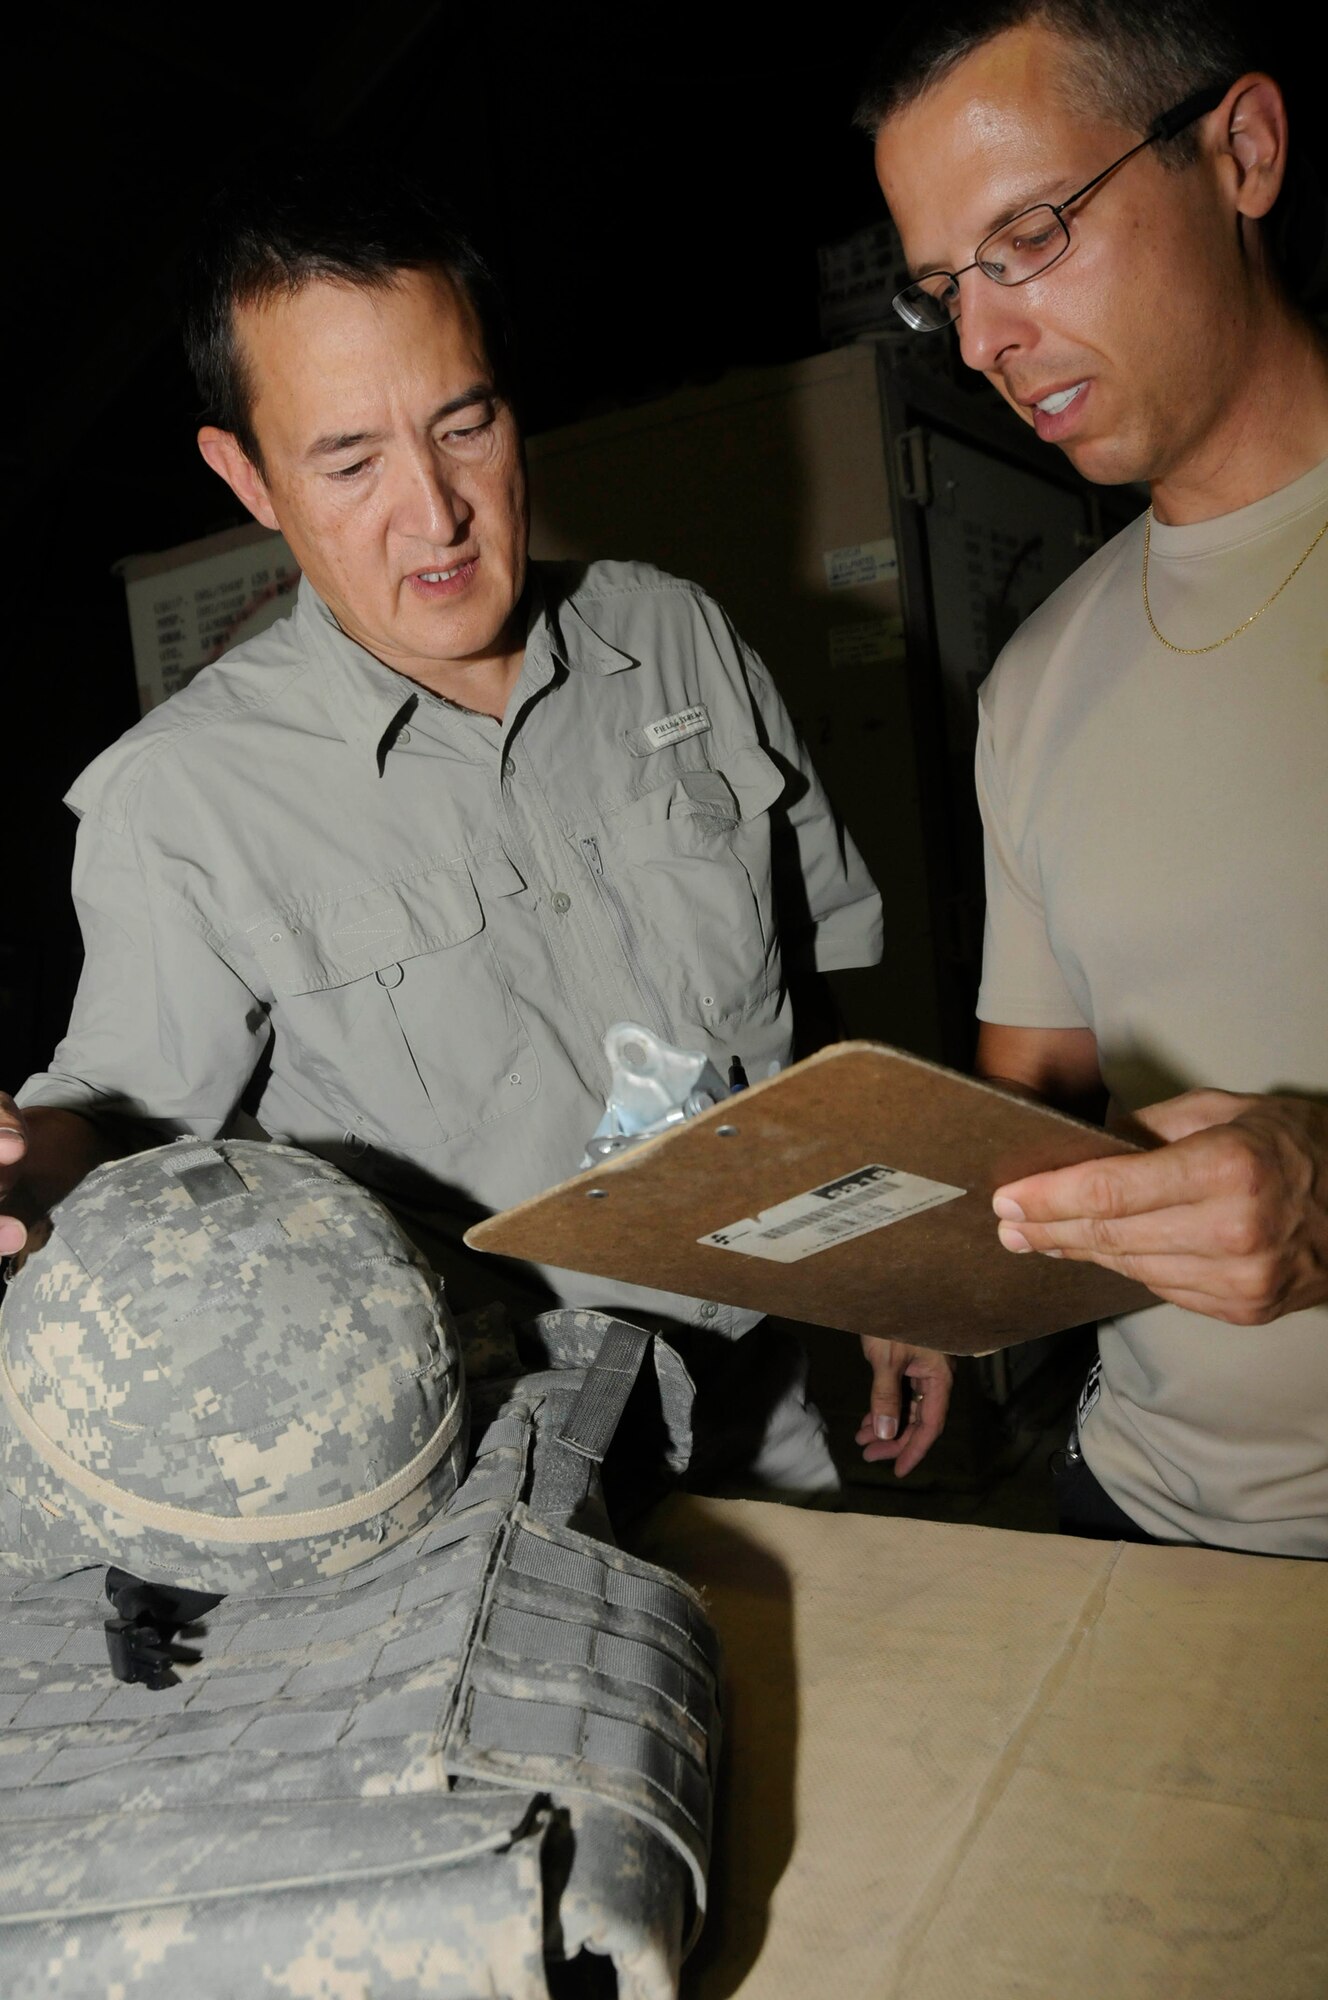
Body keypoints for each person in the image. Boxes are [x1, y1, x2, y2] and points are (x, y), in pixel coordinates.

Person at [0, 159, 934, 1493]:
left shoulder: (673, 637)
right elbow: (126, 1135)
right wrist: (28, 1178)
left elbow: (813, 1014)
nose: (434, 514)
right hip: (492, 1481)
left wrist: (889, 1262)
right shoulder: (183, 800)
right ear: (248, 478)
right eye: (348, 458)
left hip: (768, 1414)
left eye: (464, 423)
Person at [857, 0, 1328, 1553]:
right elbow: (1033, 1098)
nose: (983, 341)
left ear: (1241, 150)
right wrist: (940, 1277)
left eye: (1032, 235)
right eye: (944, 291)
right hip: (1137, 1512)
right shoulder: (1039, 673)